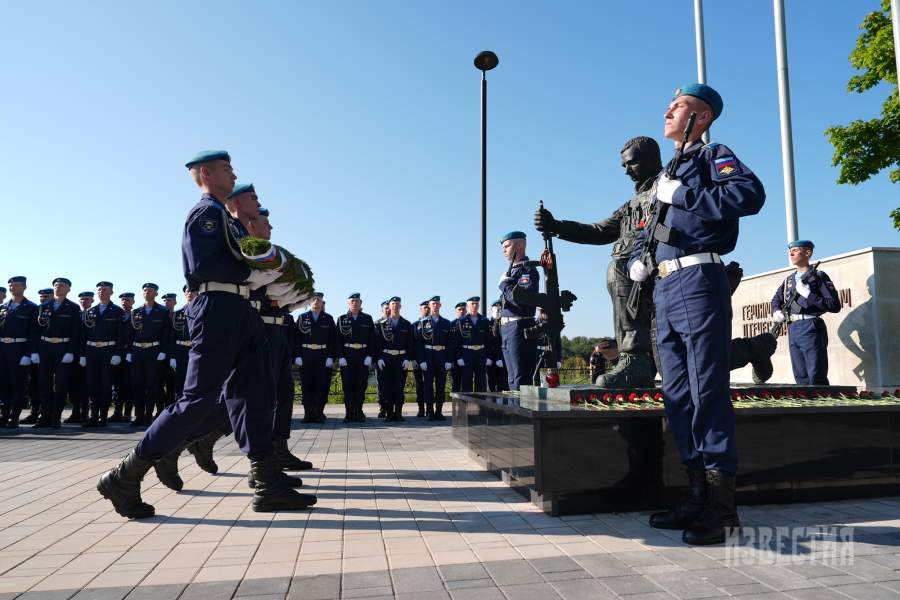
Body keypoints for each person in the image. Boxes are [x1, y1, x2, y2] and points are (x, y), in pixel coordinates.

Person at [97, 150, 315, 519]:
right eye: (227, 169)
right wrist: (253, 275)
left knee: (257, 393)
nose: (233, 174)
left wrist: (270, 280)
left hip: (240, 309)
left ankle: (267, 482)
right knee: (197, 400)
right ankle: (126, 473)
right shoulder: (206, 214)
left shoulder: (226, 220)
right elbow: (204, 265)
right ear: (205, 173)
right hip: (217, 308)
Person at [628, 83, 765, 545]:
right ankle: (697, 497)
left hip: (698, 281)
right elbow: (662, 228)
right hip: (665, 287)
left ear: (700, 117)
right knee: (679, 395)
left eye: (679, 105)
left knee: (707, 389)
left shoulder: (713, 156)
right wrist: (642, 255)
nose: (668, 110)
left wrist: (682, 194)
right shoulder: (673, 167)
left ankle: (723, 509)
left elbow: (749, 196)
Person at [535, 136, 661, 388]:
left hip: (662, 275)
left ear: (651, 160)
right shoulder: (631, 206)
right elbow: (599, 231)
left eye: (632, 163)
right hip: (638, 284)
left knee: (693, 352)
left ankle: (636, 359)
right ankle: (756, 348)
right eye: (624, 165)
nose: (626, 170)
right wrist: (557, 226)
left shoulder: (666, 190)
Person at [771, 240, 840, 385]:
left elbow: (834, 305)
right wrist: (777, 311)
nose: (791, 253)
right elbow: (776, 299)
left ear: (808, 253)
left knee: (816, 374)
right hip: (793, 328)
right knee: (800, 375)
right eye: (790, 250)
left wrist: (809, 295)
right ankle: (805, 406)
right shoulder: (788, 280)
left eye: (795, 250)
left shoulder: (818, 276)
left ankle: (821, 406)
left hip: (810, 326)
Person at [35, 277, 82, 427]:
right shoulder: (44, 306)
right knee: (44, 383)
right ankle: (44, 416)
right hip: (45, 347)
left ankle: (56, 417)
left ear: (68, 289)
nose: (58, 287)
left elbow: (76, 332)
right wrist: (35, 351)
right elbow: (36, 330)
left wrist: (71, 351)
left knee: (61, 384)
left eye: (62, 285)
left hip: (63, 348)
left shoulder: (73, 308)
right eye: (56, 285)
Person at [498, 231, 540, 390]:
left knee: (520, 378)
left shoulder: (527, 270)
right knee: (511, 379)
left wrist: (505, 285)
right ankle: (515, 413)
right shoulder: (513, 271)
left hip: (519, 327)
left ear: (520, 245)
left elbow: (522, 299)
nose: (504, 250)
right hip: (508, 328)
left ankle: (521, 414)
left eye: (507, 245)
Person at [127, 283, 173, 426]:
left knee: (152, 384)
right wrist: (129, 351)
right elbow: (129, 334)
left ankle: (148, 414)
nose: (147, 292)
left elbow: (167, 334)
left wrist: (163, 351)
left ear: (156, 294)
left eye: (150, 290)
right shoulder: (135, 312)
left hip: (154, 351)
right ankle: (139, 415)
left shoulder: (163, 311)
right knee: (137, 384)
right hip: (137, 351)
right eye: (145, 290)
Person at [80, 282, 125, 427]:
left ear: (111, 292)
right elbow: (83, 335)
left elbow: (121, 335)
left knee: (106, 384)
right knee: (92, 384)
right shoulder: (91, 311)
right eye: (99, 290)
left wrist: (118, 353)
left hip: (108, 351)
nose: (101, 292)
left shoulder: (117, 311)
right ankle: (93, 416)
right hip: (92, 351)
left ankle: (103, 415)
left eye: (105, 289)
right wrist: (83, 354)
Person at [0, 276, 38, 428]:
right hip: (3, 349)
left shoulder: (31, 308)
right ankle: (4, 415)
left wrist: (28, 354)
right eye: (10, 285)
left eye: (16, 285)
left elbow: (33, 333)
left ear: (24, 287)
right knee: (3, 383)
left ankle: (14, 417)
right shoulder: (3, 307)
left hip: (19, 350)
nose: (12, 288)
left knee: (18, 384)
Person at [297, 292, 337, 424]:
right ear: (309, 302)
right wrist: (297, 355)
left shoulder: (328, 319)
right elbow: (296, 338)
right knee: (306, 385)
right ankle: (308, 413)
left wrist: (331, 356)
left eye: (318, 299)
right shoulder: (302, 317)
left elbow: (333, 340)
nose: (316, 301)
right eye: (313, 299)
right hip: (306, 354)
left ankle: (319, 412)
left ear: (322, 302)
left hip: (322, 355)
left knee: (321, 385)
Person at [374, 296, 414, 421]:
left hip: (401, 358)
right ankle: (389, 413)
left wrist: (407, 358)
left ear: (400, 306)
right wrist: (379, 358)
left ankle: (398, 413)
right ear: (389, 307)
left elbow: (410, 344)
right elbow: (377, 343)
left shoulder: (406, 324)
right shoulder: (382, 324)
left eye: (397, 304)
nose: (395, 306)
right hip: (386, 358)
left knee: (399, 386)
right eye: (393, 304)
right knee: (386, 386)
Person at [337, 293, 375, 422]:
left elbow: (372, 339)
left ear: (361, 303)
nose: (354, 303)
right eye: (352, 301)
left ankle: (358, 411)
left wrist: (370, 355)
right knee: (348, 386)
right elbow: (338, 340)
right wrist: (340, 356)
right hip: (347, 356)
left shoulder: (367, 318)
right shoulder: (342, 319)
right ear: (348, 303)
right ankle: (349, 413)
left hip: (363, 355)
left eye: (357, 301)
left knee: (361, 385)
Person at [416, 295, 453, 420]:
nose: (435, 306)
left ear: (440, 305)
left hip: (441, 356)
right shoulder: (423, 322)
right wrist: (421, 360)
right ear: (429, 306)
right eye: (433, 304)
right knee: (428, 386)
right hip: (428, 356)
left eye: (437, 304)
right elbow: (419, 343)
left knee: (441, 385)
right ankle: (430, 412)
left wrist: (449, 360)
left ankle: (439, 411)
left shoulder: (446, 323)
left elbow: (450, 344)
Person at [66, 291, 96, 423]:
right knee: (73, 385)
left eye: (87, 299)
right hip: (73, 353)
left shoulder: (94, 314)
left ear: (92, 300)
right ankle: (75, 412)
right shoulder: (75, 314)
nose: (84, 301)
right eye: (82, 299)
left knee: (86, 386)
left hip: (89, 354)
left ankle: (85, 414)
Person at [456, 296, 492, 392]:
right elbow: (457, 340)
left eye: (477, 304)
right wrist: (459, 357)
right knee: (466, 382)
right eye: (472, 303)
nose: (475, 306)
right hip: (466, 353)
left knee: (481, 382)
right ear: (468, 306)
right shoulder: (461, 321)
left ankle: (481, 406)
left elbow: (488, 340)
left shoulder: (484, 320)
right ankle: (466, 406)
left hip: (481, 353)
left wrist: (489, 356)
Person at [109, 292, 135, 423]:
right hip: (116, 354)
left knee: (129, 385)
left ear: (133, 302)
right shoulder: (116, 315)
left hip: (130, 355)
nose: (125, 302)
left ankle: (127, 413)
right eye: (123, 300)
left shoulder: (136, 315)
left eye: (128, 300)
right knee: (117, 385)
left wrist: (130, 351)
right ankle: (117, 412)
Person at [170, 287, 194, 399]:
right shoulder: (177, 314)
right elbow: (171, 337)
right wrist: (172, 356)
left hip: (196, 350)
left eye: (192, 291)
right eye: (187, 291)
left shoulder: (203, 311)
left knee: (194, 380)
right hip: (180, 351)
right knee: (179, 381)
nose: (189, 293)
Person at [412, 300, 430, 417]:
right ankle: (421, 408)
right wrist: (413, 359)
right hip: (418, 360)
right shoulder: (415, 325)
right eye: (425, 307)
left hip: (430, 358)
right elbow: (412, 344)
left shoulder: (432, 323)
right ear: (420, 309)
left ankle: (429, 408)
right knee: (419, 385)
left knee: (428, 385)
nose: (427, 309)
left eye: (428, 307)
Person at [487, 300, 507, 392]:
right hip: (490, 358)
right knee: (491, 381)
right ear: (491, 310)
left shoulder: (505, 324)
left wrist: (500, 357)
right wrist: (489, 357)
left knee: (502, 381)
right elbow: (486, 342)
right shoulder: (487, 323)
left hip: (502, 357)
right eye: (496, 309)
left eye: (500, 309)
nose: (498, 311)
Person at [449, 302, 466, 392]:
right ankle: (456, 406)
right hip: (455, 359)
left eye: (463, 309)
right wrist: (451, 359)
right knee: (455, 383)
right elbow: (450, 344)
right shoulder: (451, 324)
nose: (462, 311)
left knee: (466, 384)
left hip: (467, 357)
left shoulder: (469, 323)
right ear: (455, 311)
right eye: (459, 310)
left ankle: (467, 406)